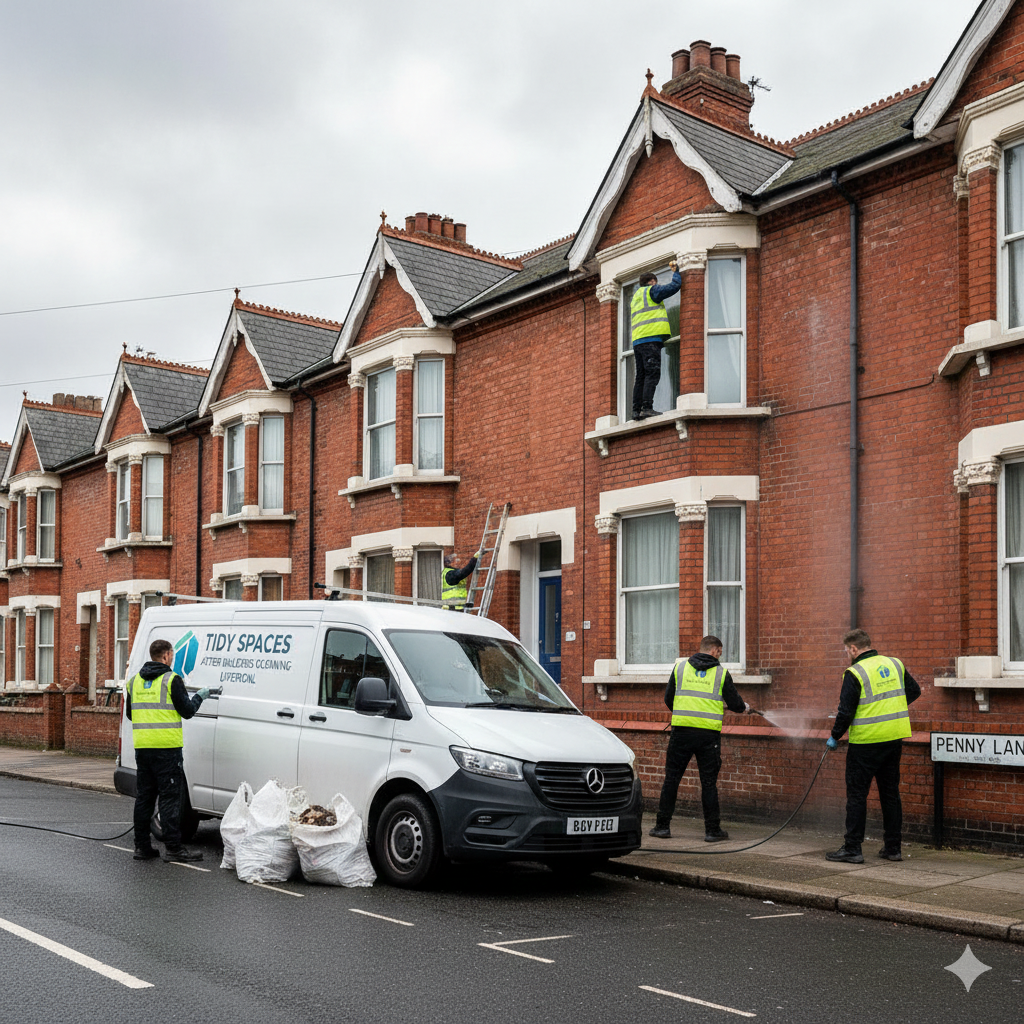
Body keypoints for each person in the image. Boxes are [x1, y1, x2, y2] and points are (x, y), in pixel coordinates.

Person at [824, 628, 921, 864]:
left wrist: (835, 735)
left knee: (857, 795)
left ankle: (852, 849)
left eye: (847, 650)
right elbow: (914, 691)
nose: (847, 653)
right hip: (893, 739)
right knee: (890, 794)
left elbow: (845, 711)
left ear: (854, 648)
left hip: (866, 742)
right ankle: (893, 848)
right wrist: (890, 709)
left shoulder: (854, 672)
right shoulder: (895, 664)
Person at [649, 635, 754, 841]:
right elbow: (734, 703)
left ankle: (662, 827)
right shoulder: (721, 673)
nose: (720, 656)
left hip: (681, 733)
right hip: (708, 736)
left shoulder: (680, 669)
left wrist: (684, 712)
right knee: (708, 783)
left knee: (672, 779)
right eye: (720, 652)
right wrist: (744, 708)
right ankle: (712, 831)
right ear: (715, 650)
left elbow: (668, 698)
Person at [127, 638, 210, 862]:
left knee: (144, 798)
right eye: (171, 654)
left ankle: (142, 847)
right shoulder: (171, 680)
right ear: (165, 656)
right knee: (170, 798)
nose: (172, 658)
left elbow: (130, 714)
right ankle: (174, 849)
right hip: (167, 749)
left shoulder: (134, 681)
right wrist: (201, 696)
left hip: (143, 748)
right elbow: (187, 711)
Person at [629, 260, 681, 421]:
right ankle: (647, 408)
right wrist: (676, 272)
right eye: (655, 282)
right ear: (652, 282)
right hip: (650, 339)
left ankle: (636, 410)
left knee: (641, 376)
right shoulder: (651, 291)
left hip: (638, 341)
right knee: (652, 373)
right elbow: (673, 287)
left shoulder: (635, 297)